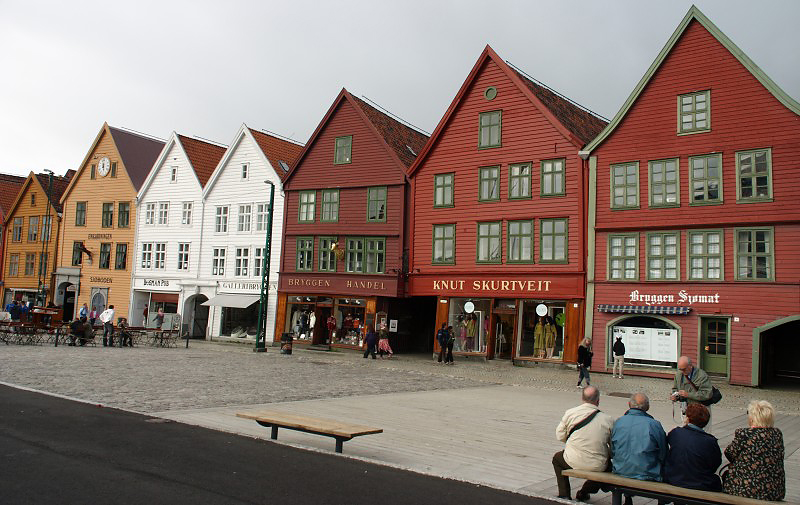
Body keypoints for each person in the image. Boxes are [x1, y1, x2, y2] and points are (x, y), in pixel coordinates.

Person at [552, 385, 615, 501]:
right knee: (608, 468)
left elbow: (560, 435)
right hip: (597, 465)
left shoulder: (570, 413)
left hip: (572, 459)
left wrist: (572, 443)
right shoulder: (608, 419)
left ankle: (564, 494)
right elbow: (613, 448)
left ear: (582, 398)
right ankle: (584, 492)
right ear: (598, 400)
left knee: (557, 459)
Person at [722, 400, 785, 501]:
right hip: (774, 492)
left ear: (752, 417)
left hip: (745, 489)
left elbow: (729, 453)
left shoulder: (745, 434)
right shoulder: (777, 434)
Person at [611, 393, 667, 504]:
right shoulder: (654, 424)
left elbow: (613, 450)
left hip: (621, 470)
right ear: (648, 407)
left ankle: (627, 498)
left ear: (629, 404)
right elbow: (663, 452)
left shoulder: (619, 422)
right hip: (648, 473)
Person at [664, 403, 721, 492]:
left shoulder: (676, 433)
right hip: (701, 483)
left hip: (675, 479)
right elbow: (715, 464)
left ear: (688, 418)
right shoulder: (710, 441)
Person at [671, 356, 713, 429]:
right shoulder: (678, 375)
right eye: (680, 369)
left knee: (703, 432)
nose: (682, 372)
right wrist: (675, 396)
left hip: (701, 410)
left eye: (684, 369)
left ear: (690, 366)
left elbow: (707, 394)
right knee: (687, 432)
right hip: (687, 409)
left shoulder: (702, 376)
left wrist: (688, 395)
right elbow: (675, 389)